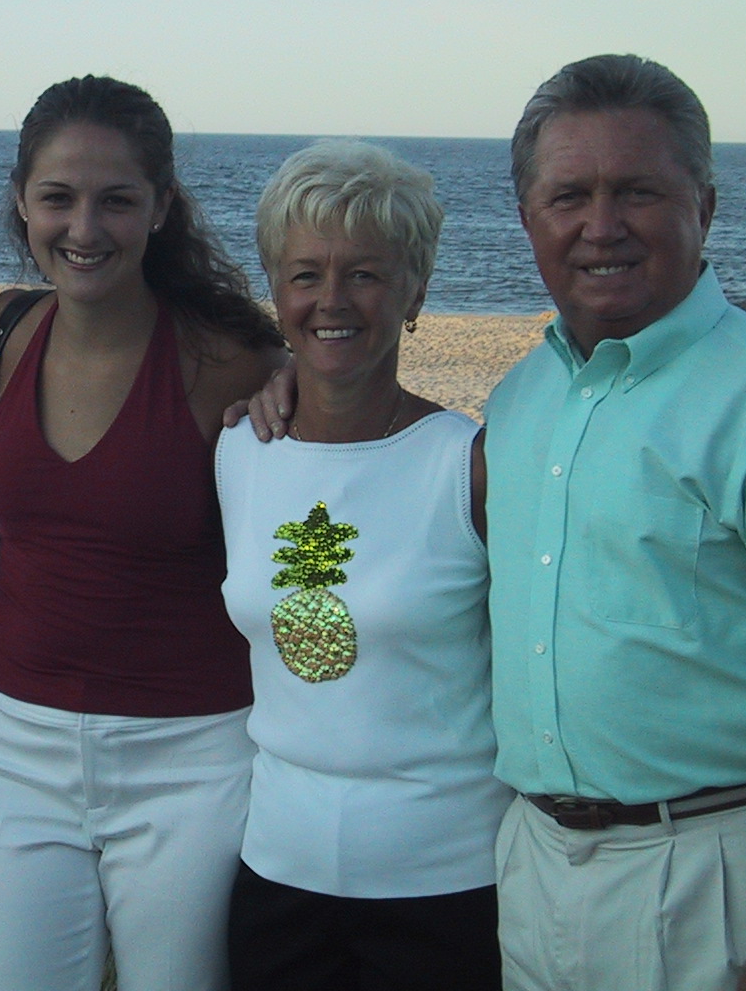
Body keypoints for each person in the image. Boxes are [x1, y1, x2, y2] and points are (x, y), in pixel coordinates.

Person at [486, 54, 746, 991]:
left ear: (703, 207)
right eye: (568, 196)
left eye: (638, 191)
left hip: (723, 876)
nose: (601, 226)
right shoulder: (520, 400)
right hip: (538, 867)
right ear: (526, 219)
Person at [0, 74, 286, 991]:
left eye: (117, 201)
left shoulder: (229, 363)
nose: (84, 229)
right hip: (13, 751)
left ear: (162, 209)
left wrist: (294, 387)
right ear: (21, 201)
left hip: (194, 760)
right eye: (57, 198)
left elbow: (316, 505)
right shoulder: (8, 330)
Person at [216, 140, 509, 990]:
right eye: (305, 275)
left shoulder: (469, 464)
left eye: (367, 275)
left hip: (447, 886)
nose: (331, 301)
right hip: (277, 875)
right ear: (275, 292)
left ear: (416, 292)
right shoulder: (239, 449)